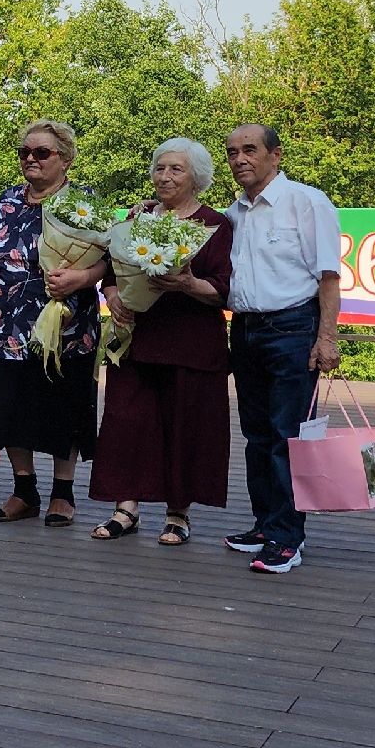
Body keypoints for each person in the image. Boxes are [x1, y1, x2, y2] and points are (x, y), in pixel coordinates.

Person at [91, 138, 234, 545]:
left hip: (190, 341)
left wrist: (188, 283)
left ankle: (178, 514)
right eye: (160, 168)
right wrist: (115, 296)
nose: (165, 176)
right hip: (138, 338)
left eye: (176, 169)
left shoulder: (216, 224)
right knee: (125, 422)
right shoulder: (138, 217)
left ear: (197, 178)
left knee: (184, 426)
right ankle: (126, 509)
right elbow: (114, 270)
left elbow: (225, 289)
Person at [0, 119, 106, 525]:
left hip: (66, 325)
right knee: (12, 408)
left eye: (42, 153)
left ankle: (62, 494)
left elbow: (111, 257)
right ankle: (24, 490)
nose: (31, 159)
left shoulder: (84, 201)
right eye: (24, 152)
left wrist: (83, 277)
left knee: (64, 407)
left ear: (65, 159)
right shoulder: (9, 200)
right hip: (10, 323)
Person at [220, 124, 341, 574]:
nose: (239, 159)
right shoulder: (233, 214)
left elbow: (329, 275)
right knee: (256, 435)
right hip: (246, 329)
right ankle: (265, 525)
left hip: (293, 326)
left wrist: (326, 337)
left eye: (249, 150)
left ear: (276, 155)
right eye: (232, 152)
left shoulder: (306, 202)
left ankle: (288, 537)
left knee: (286, 436)